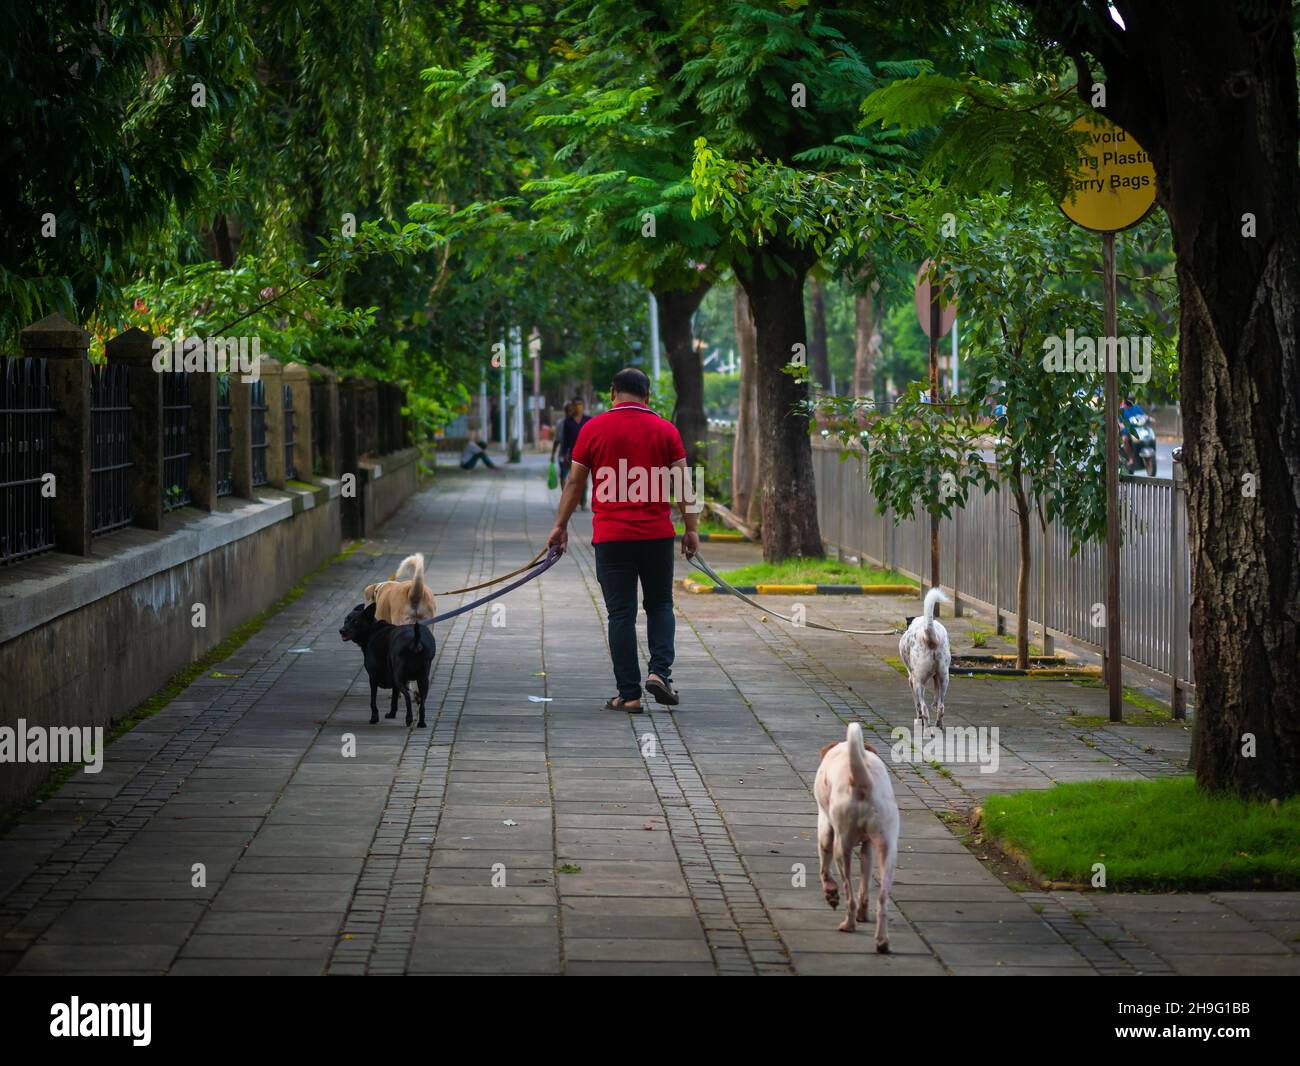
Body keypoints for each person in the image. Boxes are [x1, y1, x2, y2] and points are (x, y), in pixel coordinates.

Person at [546, 368, 699, 712]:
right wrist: (691, 529)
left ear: (612, 393)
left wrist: (560, 525)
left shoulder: (593, 429)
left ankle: (629, 695)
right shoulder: (666, 430)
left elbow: (574, 484)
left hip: (612, 538)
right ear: (647, 397)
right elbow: (684, 484)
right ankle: (660, 673)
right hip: (656, 537)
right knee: (659, 605)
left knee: (621, 615)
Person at [551, 396, 593, 510]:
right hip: (571, 455)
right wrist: (563, 455)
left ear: (583, 406)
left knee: (583, 481)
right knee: (571, 480)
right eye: (576, 404)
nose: (578, 407)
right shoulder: (567, 422)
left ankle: (583, 502)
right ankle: (571, 503)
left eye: (580, 404)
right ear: (573, 406)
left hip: (586, 455)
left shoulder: (588, 420)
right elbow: (564, 440)